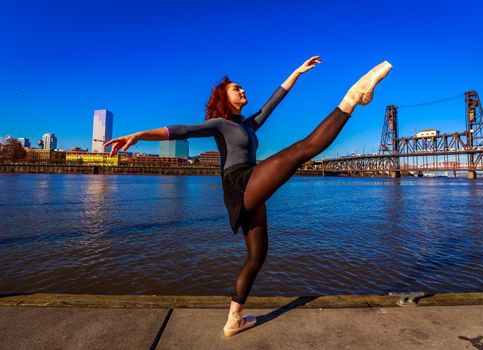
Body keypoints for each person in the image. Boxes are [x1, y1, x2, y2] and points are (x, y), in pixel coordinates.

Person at [104, 56, 392, 336]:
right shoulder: (220, 124)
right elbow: (181, 130)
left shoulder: (249, 125)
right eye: (235, 89)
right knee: (302, 149)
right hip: (240, 182)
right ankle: (353, 97)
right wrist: (139, 135)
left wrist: (297, 72)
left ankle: (234, 319)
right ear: (223, 98)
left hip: (250, 186)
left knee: (257, 256)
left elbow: (274, 101)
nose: (242, 90)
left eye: (242, 88)